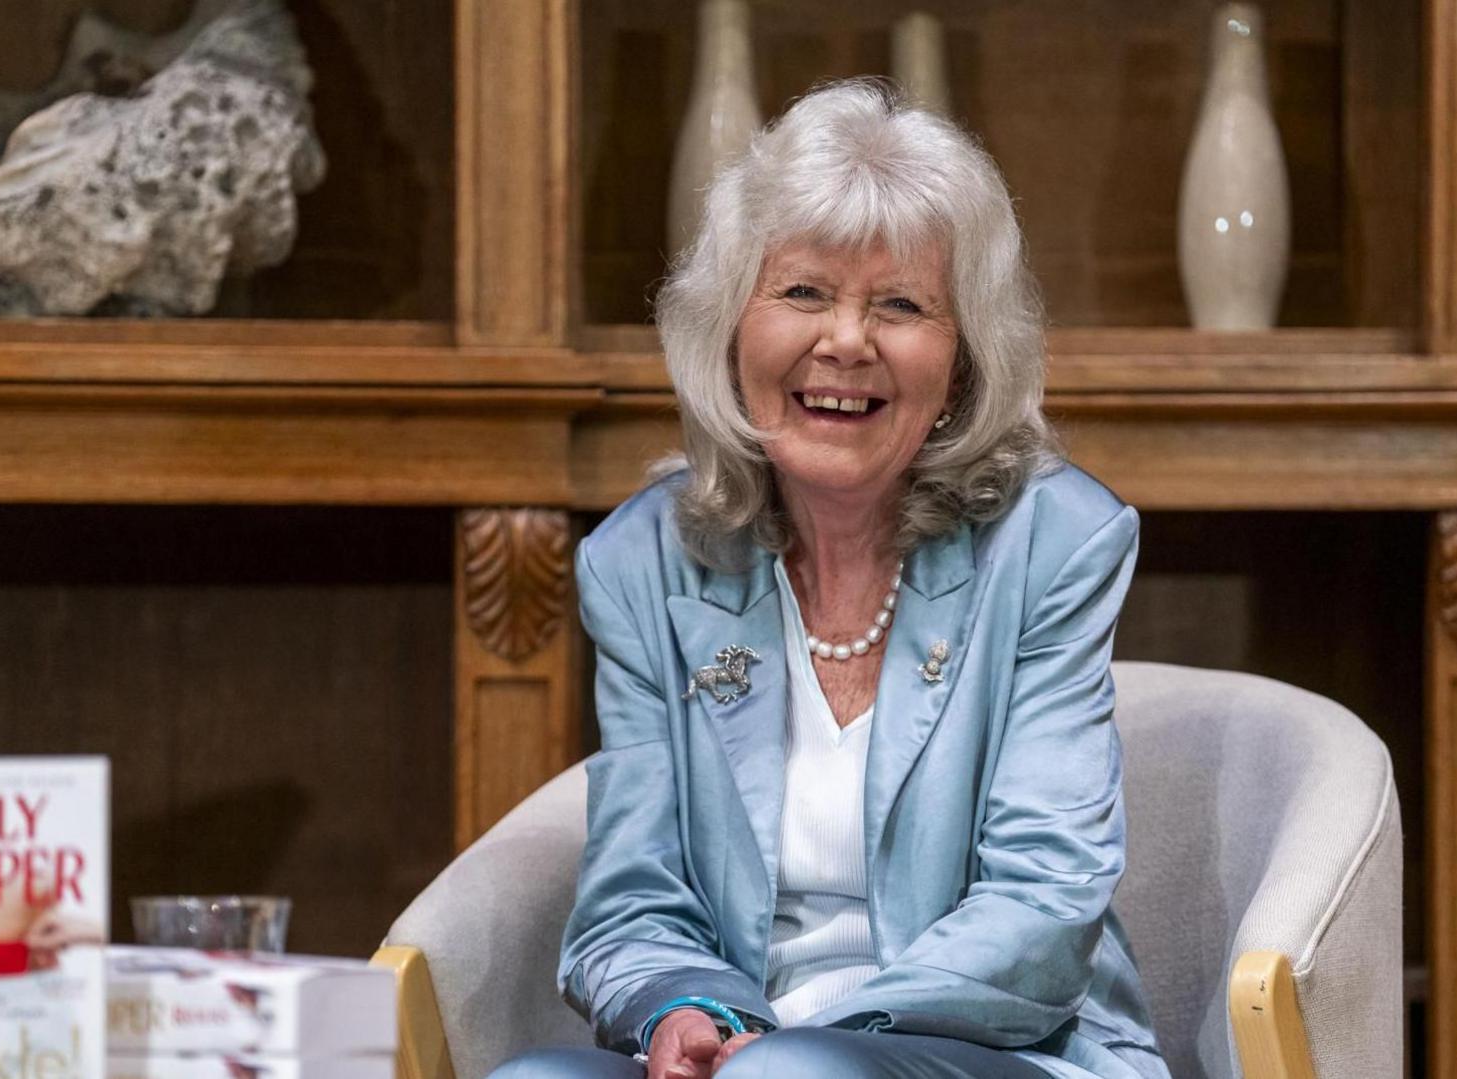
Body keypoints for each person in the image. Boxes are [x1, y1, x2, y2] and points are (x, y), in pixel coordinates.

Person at [491, 79, 1168, 1079]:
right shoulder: (642, 560)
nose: (846, 341)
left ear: (960, 367)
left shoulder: (1051, 542)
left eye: (899, 305)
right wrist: (683, 1008)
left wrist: (811, 1036)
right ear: (730, 330)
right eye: (804, 292)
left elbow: (1044, 901)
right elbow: (633, 898)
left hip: (1003, 1048)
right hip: (747, 1046)